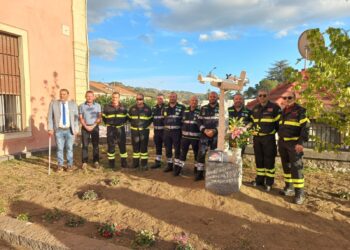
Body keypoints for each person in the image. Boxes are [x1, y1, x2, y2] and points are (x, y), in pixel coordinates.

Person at [278, 91, 310, 204]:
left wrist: (300, 143)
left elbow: (305, 127)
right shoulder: (283, 110)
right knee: (286, 167)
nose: (287, 99)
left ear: (294, 98)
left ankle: (299, 193)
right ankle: (289, 187)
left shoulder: (301, 110)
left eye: (289, 97)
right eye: (284, 97)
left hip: (294, 144)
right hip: (282, 143)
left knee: (296, 168)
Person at [250, 89, 281, 191]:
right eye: (260, 95)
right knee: (259, 160)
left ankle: (269, 182)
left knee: (269, 160)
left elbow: (279, 125)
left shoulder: (275, 108)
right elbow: (251, 123)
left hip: (268, 138)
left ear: (268, 96)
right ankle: (259, 180)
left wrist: (271, 132)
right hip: (257, 139)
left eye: (264, 95)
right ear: (257, 97)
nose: (262, 97)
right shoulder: (255, 108)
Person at [48, 89, 79, 172]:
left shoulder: (73, 104)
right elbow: (50, 117)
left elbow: (76, 118)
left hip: (70, 130)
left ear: (68, 95)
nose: (62, 96)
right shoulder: (53, 104)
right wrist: (50, 128)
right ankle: (60, 165)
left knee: (69, 148)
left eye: (64, 94)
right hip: (59, 130)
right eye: (61, 94)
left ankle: (69, 165)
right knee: (59, 148)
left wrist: (76, 128)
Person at [173, 96, 201, 176]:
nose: (194, 102)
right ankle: (179, 169)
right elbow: (181, 122)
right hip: (185, 137)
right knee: (183, 154)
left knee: (196, 154)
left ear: (197, 102)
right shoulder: (185, 110)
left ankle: (196, 169)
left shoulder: (200, 111)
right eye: (192, 100)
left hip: (196, 137)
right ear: (190, 102)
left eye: (195, 101)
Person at [196, 91, 219, 181]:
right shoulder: (203, 108)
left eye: (214, 96)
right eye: (211, 96)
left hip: (216, 135)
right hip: (204, 135)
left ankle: (212, 174)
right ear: (208, 97)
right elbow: (199, 121)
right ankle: (199, 173)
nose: (212, 98)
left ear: (217, 97)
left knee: (215, 154)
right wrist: (204, 130)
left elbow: (225, 122)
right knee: (201, 153)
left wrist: (215, 130)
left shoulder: (222, 108)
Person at [102, 92, 128, 169]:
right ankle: (111, 164)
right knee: (111, 146)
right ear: (111, 97)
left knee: (122, 145)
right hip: (111, 128)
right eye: (113, 97)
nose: (114, 99)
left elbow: (126, 118)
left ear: (119, 98)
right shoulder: (107, 107)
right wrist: (109, 123)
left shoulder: (123, 107)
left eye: (116, 97)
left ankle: (124, 163)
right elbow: (104, 118)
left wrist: (121, 123)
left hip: (120, 128)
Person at [128, 93, 153, 169]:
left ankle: (144, 164)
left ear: (143, 99)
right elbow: (129, 118)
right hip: (134, 131)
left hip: (144, 131)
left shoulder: (148, 109)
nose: (139, 101)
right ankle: (135, 164)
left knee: (144, 148)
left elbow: (150, 119)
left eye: (140, 99)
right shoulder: (132, 108)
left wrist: (144, 126)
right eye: (137, 99)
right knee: (135, 148)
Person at [162, 92, 185, 173]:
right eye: (171, 96)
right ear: (169, 97)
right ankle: (169, 165)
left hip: (177, 132)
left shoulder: (182, 107)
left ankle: (176, 166)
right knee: (168, 149)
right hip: (167, 132)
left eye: (174, 97)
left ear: (176, 98)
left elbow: (183, 120)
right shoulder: (164, 107)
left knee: (177, 149)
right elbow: (162, 119)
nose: (172, 98)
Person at [79, 90, 102, 169]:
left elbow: (99, 117)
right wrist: (86, 126)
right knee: (85, 145)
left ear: (93, 97)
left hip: (95, 127)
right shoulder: (81, 106)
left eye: (91, 96)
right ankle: (84, 162)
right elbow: (81, 118)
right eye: (88, 96)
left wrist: (93, 125)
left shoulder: (98, 105)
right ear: (85, 97)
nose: (89, 97)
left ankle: (96, 161)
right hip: (85, 128)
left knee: (95, 145)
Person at [151, 93, 165, 169]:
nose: (159, 100)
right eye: (158, 98)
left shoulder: (166, 107)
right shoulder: (153, 108)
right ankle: (158, 162)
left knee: (168, 147)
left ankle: (170, 163)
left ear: (163, 99)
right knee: (158, 147)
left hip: (164, 131)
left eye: (161, 99)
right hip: (156, 131)